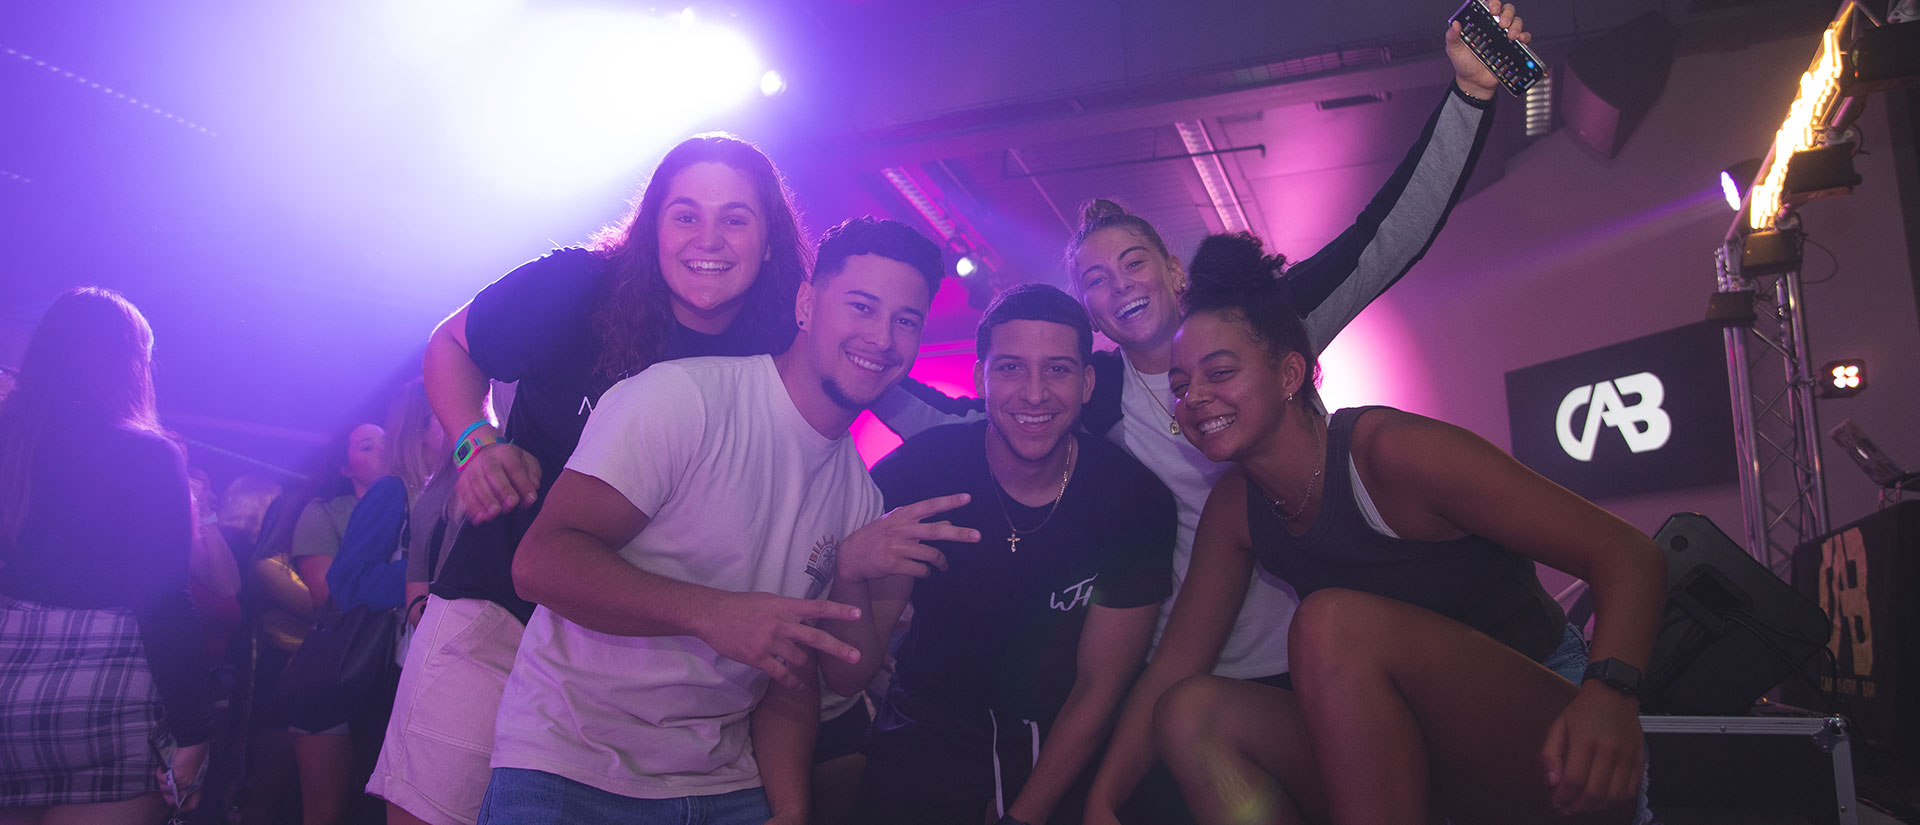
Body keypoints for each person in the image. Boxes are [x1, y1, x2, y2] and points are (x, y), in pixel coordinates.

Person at [862, 6, 1533, 819]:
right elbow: (973, 423)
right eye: (1095, 282)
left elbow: (1384, 238)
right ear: (1093, 319)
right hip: (1185, 672)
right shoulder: (1095, 394)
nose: (1117, 285)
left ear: (1173, 269)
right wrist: (865, 363)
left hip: (1319, 652)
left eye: (1132, 261)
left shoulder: (1258, 325)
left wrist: (1467, 97)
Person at [1145, 232, 1663, 824]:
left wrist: (1610, 695)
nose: (1195, 398)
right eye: (1181, 386)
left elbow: (1627, 552)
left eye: (1219, 372)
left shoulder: (1393, 453)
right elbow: (1172, 668)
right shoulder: (1236, 506)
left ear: (1290, 373)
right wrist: (1102, 801)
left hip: (1555, 742)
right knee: (1189, 714)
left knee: (1331, 624)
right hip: (1415, 764)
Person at [377, 133, 814, 825]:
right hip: (499, 610)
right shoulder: (578, 286)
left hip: (639, 654)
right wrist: (476, 442)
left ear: (769, 243)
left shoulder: (784, 347)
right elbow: (451, 345)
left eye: (736, 217)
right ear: (652, 227)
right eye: (685, 214)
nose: (710, 237)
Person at [481, 217, 967, 824]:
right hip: (575, 769)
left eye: (906, 321)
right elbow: (540, 563)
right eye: (863, 307)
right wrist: (713, 612)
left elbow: (792, 676)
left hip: (725, 787)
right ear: (807, 303)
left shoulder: (859, 498)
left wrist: (791, 809)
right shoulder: (683, 400)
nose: (883, 337)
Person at [845, 285, 1175, 825]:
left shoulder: (1132, 501)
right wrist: (849, 571)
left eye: (1059, 370)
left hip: (1063, 745)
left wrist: (1024, 817)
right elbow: (851, 670)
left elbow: (1100, 686)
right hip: (926, 736)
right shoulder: (919, 472)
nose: (1035, 393)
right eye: (1012, 369)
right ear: (981, 379)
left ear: (1087, 383)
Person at [0, 287, 209, 824]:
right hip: (108, 688)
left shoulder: (10, 439)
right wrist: (194, 730)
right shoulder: (147, 452)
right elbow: (164, 599)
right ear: (130, 364)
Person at [288, 423, 388, 825]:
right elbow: (327, 592)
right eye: (368, 446)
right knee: (326, 810)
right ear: (345, 468)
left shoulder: (422, 504)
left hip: (396, 666)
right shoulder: (324, 512)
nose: (383, 450)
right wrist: (403, 580)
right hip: (337, 666)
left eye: (387, 440)